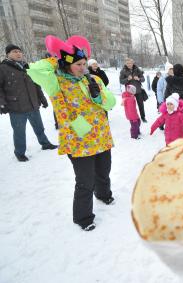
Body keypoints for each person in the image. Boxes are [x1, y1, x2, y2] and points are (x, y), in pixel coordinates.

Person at [27, 35, 116, 231]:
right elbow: (34, 70)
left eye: (84, 63)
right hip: (78, 139)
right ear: (66, 64)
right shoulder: (56, 82)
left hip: (101, 135)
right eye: (78, 63)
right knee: (85, 180)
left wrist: (98, 96)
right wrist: (56, 58)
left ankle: (103, 194)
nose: (83, 67)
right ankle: (83, 217)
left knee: (103, 170)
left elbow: (111, 103)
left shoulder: (93, 79)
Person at [0, 44, 57, 162]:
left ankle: (45, 143)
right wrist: (2, 103)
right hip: (16, 107)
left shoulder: (27, 67)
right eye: (15, 51)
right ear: (8, 54)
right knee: (19, 132)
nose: (18, 53)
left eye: (20, 51)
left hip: (32, 104)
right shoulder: (3, 68)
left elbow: (36, 84)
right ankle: (20, 153)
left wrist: (42, 99)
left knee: (39, 128)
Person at [164, 63, 183, 139]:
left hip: (174, 108)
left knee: (175, 125)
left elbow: (167, 96)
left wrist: (166, 107)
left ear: (174, 71)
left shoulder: (170, 82)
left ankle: (177, 141)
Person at [119, 58, 147, 122]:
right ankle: (133, 118)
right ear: (125, 63)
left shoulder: (137, 70)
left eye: (130, 63)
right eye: (127, 63)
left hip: (138, 90)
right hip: (129, 93)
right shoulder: (123, 71)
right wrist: (127, 79)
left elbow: (143, 79)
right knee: (131, 106)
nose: (129, 64)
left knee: (141, 105)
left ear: (133, 63)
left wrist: (139, 79)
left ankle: (143, 117)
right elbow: (121, 81)